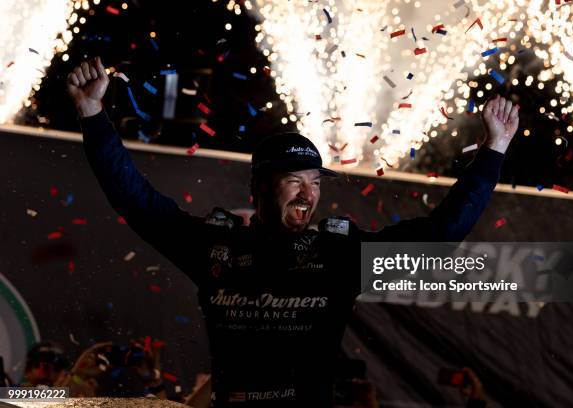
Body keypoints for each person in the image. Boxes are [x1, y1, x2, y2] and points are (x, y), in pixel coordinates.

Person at [67, 56, 519, 407]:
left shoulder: (339, 254)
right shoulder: (217, 248)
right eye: (293, 181)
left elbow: (439, 236)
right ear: (260, 187)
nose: (308, 194)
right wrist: (93, 116)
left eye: (316, 182)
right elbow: (138, 203)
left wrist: (494, 150)